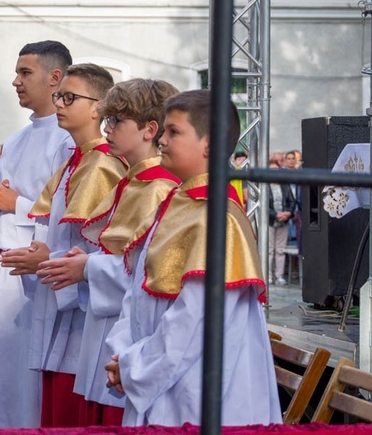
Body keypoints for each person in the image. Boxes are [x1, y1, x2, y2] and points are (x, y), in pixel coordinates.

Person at [105, 89, 281, 427]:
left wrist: (134, 368)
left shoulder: (218, 218)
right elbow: (137, 290)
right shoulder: (175, 203)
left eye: (174, 132)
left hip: (198, 387)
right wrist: (123, 355)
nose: (162, 140)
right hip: (155, 371)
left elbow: (195, 321)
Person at [38, 79, 180, 425]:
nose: (107, 129)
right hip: (106, 325)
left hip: (130, 329)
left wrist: (87, 268)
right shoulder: (132, 180)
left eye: (117, 120)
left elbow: (155, 274)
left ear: (149, 130)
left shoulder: (159, 187)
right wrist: (78, 263)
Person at [0, 64, 125, 427]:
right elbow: (56, 233)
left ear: (99, 107)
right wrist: (42, 257)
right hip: (61, 301)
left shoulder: (102, 165)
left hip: (82, 309)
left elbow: (105, 248)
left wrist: (49, 259)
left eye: (70, 97)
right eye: (59, 96)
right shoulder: (75, 161)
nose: (59, 104)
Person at [0, 40, 75, 428]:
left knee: (25, 383)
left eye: (25, 72)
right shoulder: (15, 139)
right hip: (5, 267)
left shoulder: (67, 142)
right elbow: (7, 200)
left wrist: (13, 202)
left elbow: (67, 218)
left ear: (55, 78)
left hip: (38, 270)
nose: (15, 81)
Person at [268, 159, 296, 285]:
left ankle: (279, 276)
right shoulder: (264, 186)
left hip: (284, 222)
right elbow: (263, 204)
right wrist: (275, 215)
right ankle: (268, 275)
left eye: (276, 169)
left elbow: (291, 200)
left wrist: (288, 213)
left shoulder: (285, 185)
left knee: (280, 250)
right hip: (269, 222)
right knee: (269, 250)